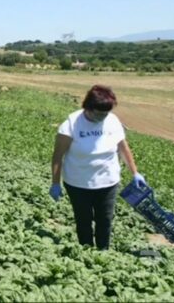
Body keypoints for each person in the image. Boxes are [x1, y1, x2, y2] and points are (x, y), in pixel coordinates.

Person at [50, 84, 147, 250]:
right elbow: (58, 155)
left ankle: (103, 252)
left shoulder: (112, 121)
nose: (103, 117)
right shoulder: (71, 125)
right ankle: (86, 252)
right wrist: (55, 183)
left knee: (105, 220)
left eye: (106, 113)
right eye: (99, 113)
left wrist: (135, 173)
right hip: (78, 183)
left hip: (108, 182)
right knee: (83, 220)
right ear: (88, 107)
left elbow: (123, 148)